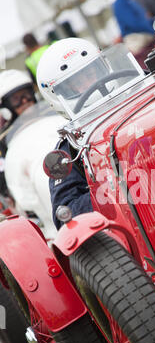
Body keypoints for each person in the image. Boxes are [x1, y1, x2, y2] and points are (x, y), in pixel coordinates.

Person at [37, 38, 102, 229]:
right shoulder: (69, 148)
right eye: (77, 82)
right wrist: (112, 192)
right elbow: (64, 214)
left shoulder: (147, 91)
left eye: (91, 72)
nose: (90, 84)